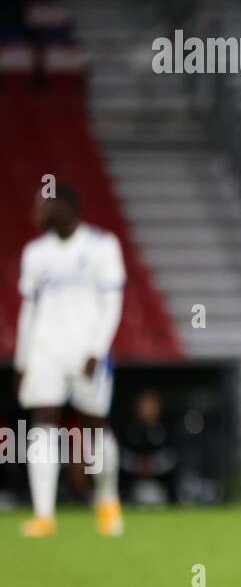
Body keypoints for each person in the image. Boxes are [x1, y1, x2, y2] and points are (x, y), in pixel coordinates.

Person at [14, 185, 126, 537]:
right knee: (43, 421)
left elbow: (112, 303)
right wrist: (22, 361)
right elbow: (28, 310)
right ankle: (43, 514)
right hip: (46, 351)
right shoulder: (35, 253)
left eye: (44, 205)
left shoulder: (102, 246)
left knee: (95, 425)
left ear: (66, 206)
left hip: (86, 351)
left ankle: (107, 498)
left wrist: (98, 348)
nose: (38, 212)